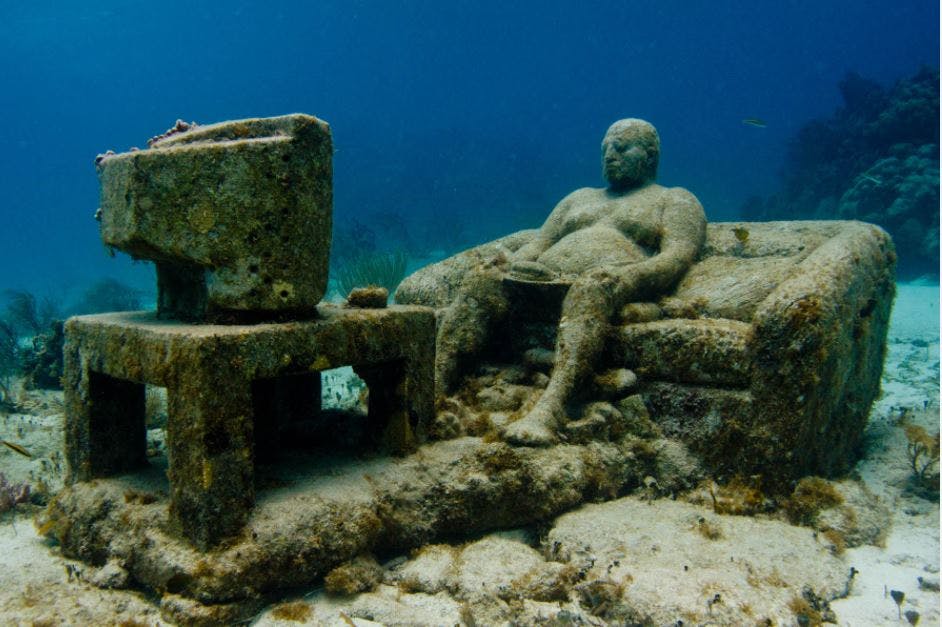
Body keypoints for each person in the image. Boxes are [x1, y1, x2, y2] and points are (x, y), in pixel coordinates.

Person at [435, 118, 706, 446]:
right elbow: (537, 246)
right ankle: (433, 389)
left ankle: (551, 410)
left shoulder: (674, 199)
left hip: (610, 285)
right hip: (544, 283)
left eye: (621, 148)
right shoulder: (579, 198)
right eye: (605, 148)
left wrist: (627, 276)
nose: (610, 155)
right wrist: (508, 264)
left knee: (592, 286)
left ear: (650, 156)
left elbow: (677, 257)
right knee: (482, 280)